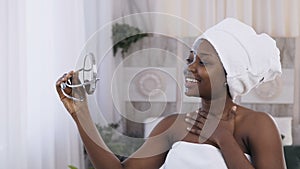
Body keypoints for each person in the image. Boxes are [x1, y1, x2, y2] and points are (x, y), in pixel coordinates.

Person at [56, 18, 286, 169]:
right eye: (189, 59)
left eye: (203, 61)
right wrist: (81, 113)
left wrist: (223, 139)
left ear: (230, 74)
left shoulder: (258, 125)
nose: (189, 67)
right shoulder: (173, 125)